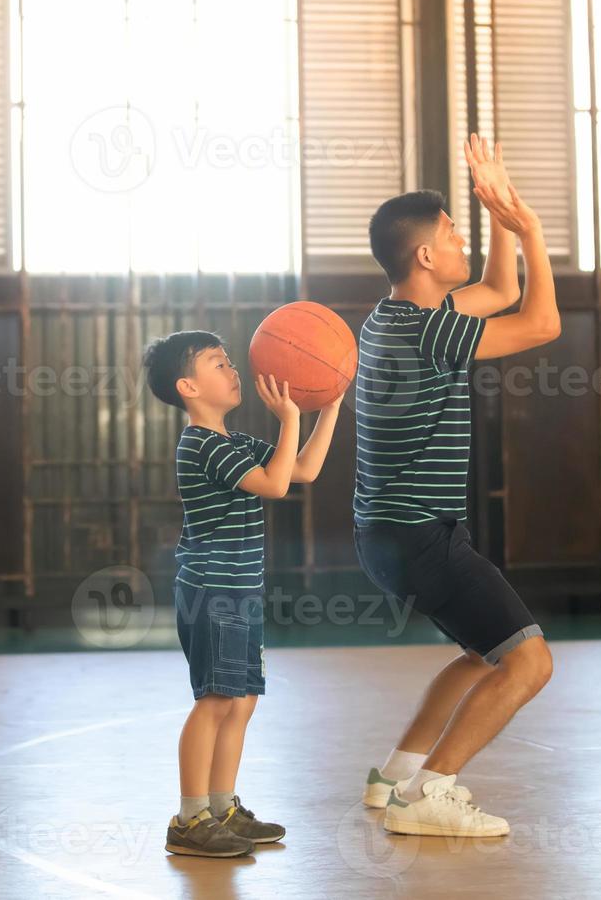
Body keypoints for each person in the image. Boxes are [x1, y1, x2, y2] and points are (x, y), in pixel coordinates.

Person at [354, 135, 560, 837]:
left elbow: (500, 292)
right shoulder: (429, 333)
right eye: (451, 231)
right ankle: (429, 794)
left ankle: (393, 780)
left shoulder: (392, 319)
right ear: (425, 258)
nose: (459, 236)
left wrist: (498, 214)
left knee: (480, 656)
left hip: (388, 537)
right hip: (421, 537)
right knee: (528, 662)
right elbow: (540, 320)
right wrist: (528, 227)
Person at [142, 331, 341, 857]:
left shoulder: (233, 443)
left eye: (230, 361)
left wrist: (328, 405)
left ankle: (221, 807)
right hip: (212, 593)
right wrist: (290, 417)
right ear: (188, 386)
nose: (233, 370)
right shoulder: (201, 445)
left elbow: (301, 470)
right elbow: (274, 487)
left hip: (238, 593)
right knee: (215, 701)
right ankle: (189, 820)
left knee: (242, 701)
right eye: (218, 363)